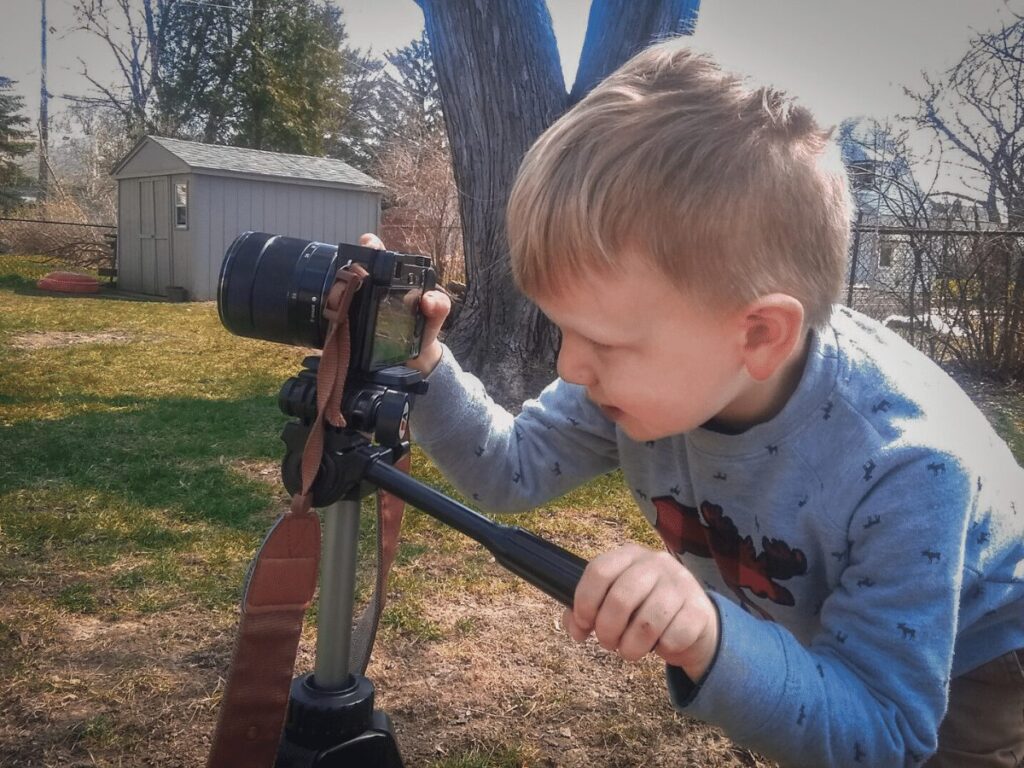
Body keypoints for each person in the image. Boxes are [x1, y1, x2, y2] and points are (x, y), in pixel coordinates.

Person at [363, 40, 1024, 768]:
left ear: (761, 336)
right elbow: (508, 470)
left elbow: (884, 730)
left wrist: (715, 636)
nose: (569, 366)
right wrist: (418, 358)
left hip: (980, 655)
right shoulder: (642, 376)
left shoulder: (907, 468)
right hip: (817, 618)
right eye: (564, 329)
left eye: (603, 342)